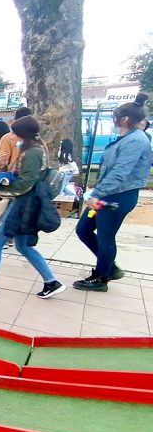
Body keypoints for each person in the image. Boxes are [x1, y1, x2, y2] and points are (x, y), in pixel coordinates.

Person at [0, 116, 66, 299]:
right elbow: (19, 175)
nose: (12, 135)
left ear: (22, 134)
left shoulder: (33, 152)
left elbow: (26, 183)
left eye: (14, 132)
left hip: (22, 204)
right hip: (25, 204)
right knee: (23, 246)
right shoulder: (31, 148)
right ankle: (51, 282)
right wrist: (2, 164)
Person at [74, 93, 152, 292]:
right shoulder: (126, 138)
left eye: (115, 116)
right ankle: (109, 267)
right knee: (83, 230)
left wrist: (96, 194)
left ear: (124, 119)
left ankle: (101, 277)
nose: (112, 119)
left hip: (118, 196)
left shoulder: (135, 140)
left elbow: (120, 172)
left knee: (106, 236)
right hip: (107, 195)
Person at [0, 106, 33, 172]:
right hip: (18, 177)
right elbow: (1, 162)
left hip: (19, 177)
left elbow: (0, 163)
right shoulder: (36, 138)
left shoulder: (8, 138)